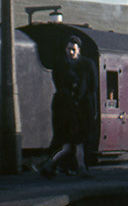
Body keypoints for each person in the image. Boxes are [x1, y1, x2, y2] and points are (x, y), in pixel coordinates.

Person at [38, 35, 97, 178]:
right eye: (69, 49)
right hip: (65, 108)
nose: (71, 52)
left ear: (79, 50)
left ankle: (52, 165)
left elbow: (92, 87)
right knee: (71, 142)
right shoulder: (60, 65)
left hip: (82, 107)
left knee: (75, 142)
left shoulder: (88, 65)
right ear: (65, 49)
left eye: (74, 50)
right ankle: (78, 168)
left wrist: (91, 109)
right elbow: (58, 84)